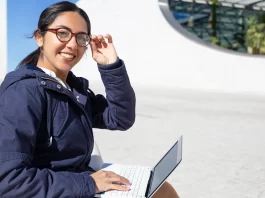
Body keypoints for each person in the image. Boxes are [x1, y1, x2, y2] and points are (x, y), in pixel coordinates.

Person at [0, 1, 180, 197]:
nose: (72, 44)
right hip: (57, 189)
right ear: (39, 38)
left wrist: (110, 66)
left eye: (81, 37)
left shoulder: (72, 89)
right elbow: (9, 180)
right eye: (62, 33)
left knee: (161, 188)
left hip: (76, 180)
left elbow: (120, 118)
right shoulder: (23, 91)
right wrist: (89, 183)